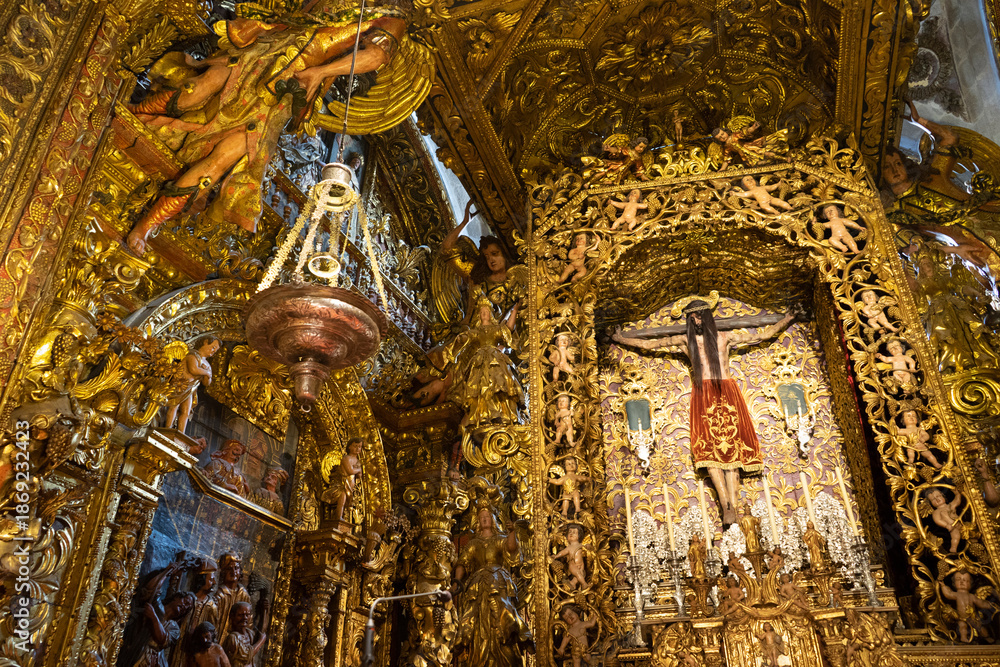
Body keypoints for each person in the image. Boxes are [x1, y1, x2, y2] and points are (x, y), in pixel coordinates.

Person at [124, 0, 432, 255]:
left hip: (283, 91)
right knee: (196, 91)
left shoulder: (393, 12)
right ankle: (132, 113)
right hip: (262, 52)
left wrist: (320, 72)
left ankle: (147, 225)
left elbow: (375, 55)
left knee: (221, 160)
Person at [613, 297, 794, 524]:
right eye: (691, 318)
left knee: (734, 450)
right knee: (708, 449)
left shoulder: (724, 337)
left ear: (706, 316)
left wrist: (787, 319)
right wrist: (620, 339)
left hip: (726, 393)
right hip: (703, 396)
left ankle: (734, 506)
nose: (695, 321)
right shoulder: (685, 341)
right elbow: (651, 345)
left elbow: (762, 335)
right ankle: (725, 504)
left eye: (698, 316)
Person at [453, 504, 534, 666]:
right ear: (478, 521)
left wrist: (512, 532)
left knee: (503, 615)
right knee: (475, 619)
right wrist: (456, 582)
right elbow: (462, 563)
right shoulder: (473, 544)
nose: (484, 519)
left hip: (498, 581)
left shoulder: (500, 539)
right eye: (481, 517)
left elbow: (511, 549)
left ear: (493, 520)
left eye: (487, 516)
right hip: (478, 585)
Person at [164, 336, 220, 434]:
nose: (214, 351)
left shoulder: (207, 364)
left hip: (191, 390)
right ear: (205, 342)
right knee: (174, 406)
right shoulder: (192, 355)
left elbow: (206, 383)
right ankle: (167, 429)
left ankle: (180, 434)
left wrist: (207, 375)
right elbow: (193, 369)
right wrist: (206, 372)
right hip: (180, 384)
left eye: (216, 350)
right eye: (213, 347)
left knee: (186, 411)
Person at [322, 438, 362, 524]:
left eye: (359, 447)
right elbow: (350, 471)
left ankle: (342, 517)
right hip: (342, 485)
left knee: (347, 504)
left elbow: (359, 476)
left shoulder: (358, 461)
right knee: (342, 498)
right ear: (349, 447)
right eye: (355, 446)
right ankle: (338, 517)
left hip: (350, 487)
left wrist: (359, 471)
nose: (357, 448)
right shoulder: (346, 459)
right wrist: (358, 470)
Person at [214, 552, 250, 641]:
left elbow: (249, 623)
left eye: (236, 568)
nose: (233, 572)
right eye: (229, 569)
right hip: (220, 638)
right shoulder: (220, 595)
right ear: (223, 572)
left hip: (238, 641)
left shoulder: (244, 595)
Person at [222, 602, 267, 667]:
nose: (244, 618)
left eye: (247, 615)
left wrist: (264, 613)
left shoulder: (250, 633)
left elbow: (262, 631)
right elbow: (246, 656)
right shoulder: (233, 638)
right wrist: (261, 640)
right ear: (232, 616)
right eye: (240, 615)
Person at [551, 524, 588, 589]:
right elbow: (562, 553)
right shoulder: (569, 547)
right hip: (573, 565)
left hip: (581, 564)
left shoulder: (581, 545)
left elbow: (587, 549)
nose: (571, 533)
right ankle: (584, 584)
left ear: (578, 536)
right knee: (578, 574)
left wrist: (588, 546)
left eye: (574, 532)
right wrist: (556, 556)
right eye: (570, 532)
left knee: (581, 574)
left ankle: (572, 583)